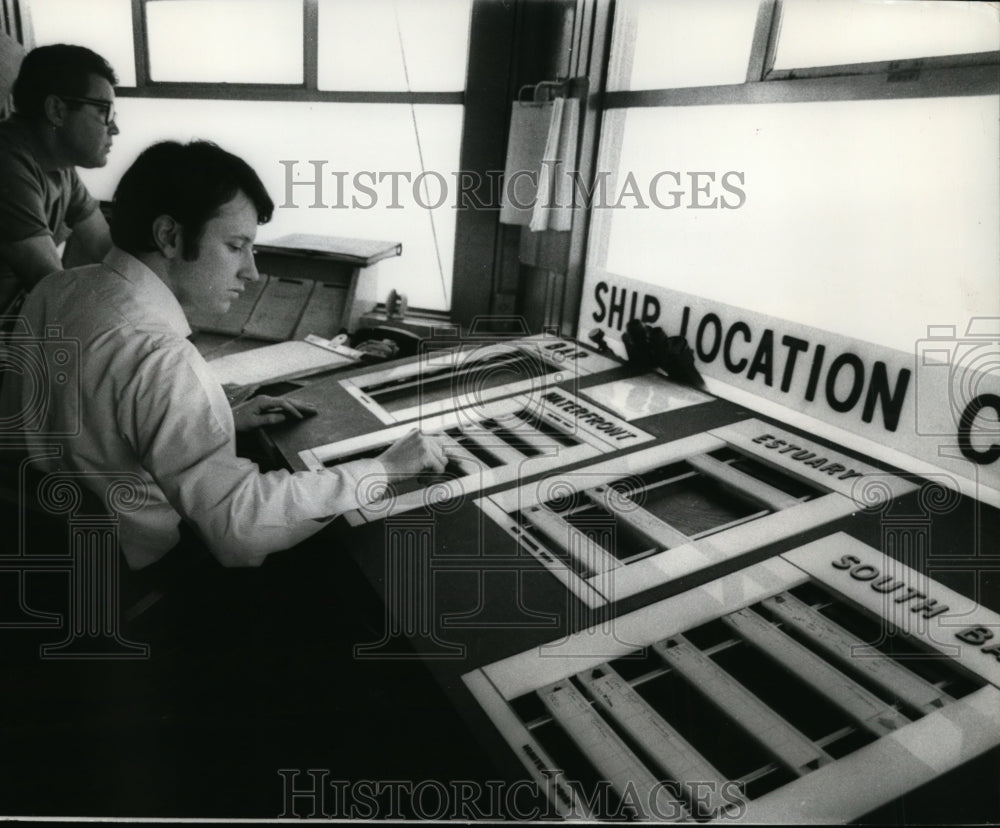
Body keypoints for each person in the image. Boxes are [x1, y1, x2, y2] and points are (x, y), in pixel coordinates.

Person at [0, 139, 449, 570]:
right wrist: (384, 468)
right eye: (236, 246)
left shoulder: (58, 287)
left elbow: (89, 423)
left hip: (41, 551)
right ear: (169, 236)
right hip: (140, 572)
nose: (252, 272)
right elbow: (240, 529)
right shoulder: (163, 357)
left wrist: (218, 415)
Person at [0, 44, 118, 310]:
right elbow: (53, 289)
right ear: (57, 110)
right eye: (104, 112)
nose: (115, 128)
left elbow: (108, 252)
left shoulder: (60, 167)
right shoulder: (7, 164)